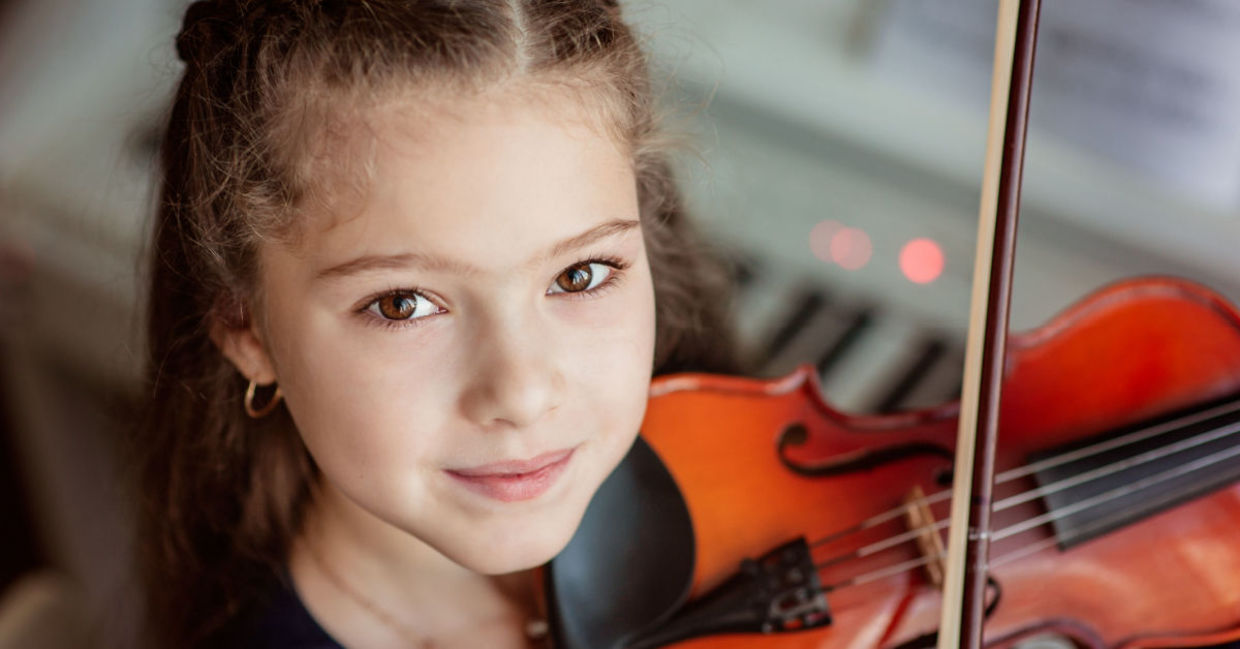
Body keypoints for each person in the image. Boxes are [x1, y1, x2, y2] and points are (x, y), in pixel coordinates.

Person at [132, 1, 739, 647]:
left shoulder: (736, 469)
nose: (522, 394)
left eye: (580, 275)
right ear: (246, 329)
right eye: (403, 304)